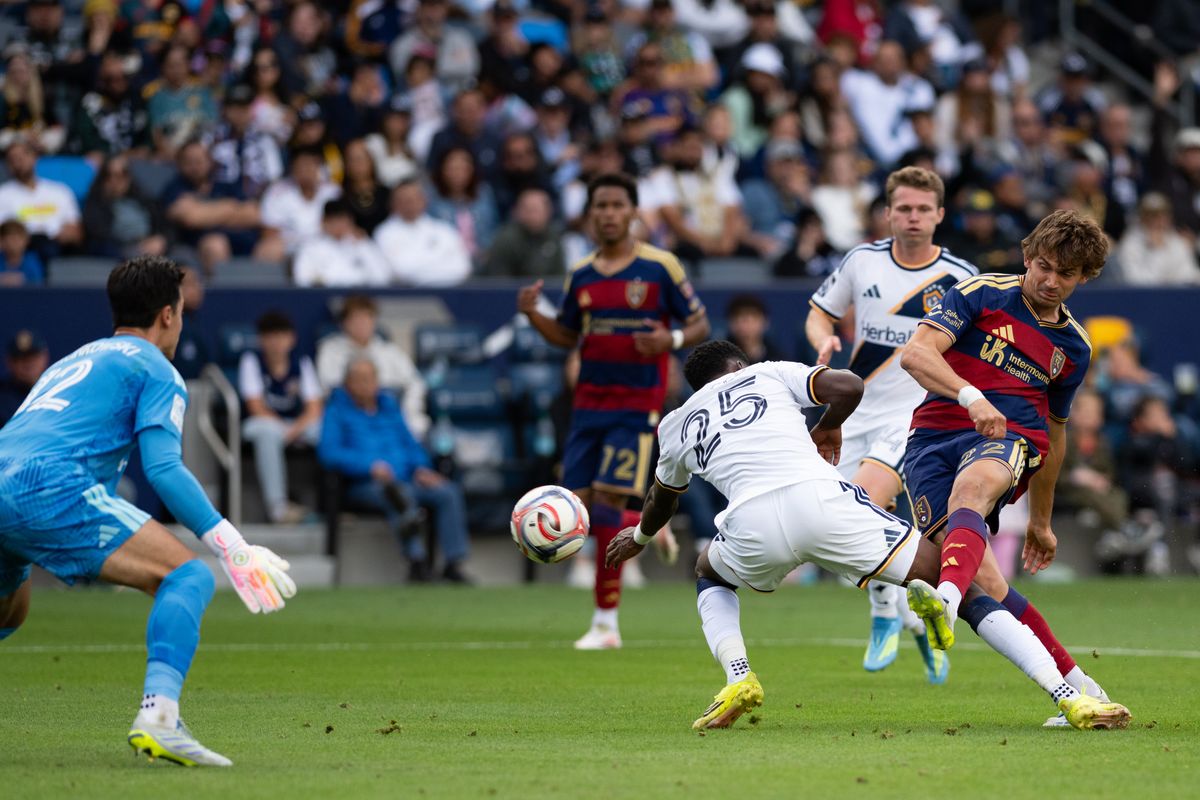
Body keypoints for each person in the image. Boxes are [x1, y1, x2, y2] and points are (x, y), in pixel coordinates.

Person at [604, 340, 1130, 732]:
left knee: (708, 572)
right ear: (738, 367)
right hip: (823, 499)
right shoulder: (766, 373)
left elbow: (662, 498)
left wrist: (642, 539)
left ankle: (738, 674)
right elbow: (849, 385)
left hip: (749, 525)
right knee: (961, 586)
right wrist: (830, 427)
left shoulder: (675, 423)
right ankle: (1070, 698)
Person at [0, 255, 296, 766]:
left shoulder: (70, 360)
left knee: (11, 609)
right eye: (180, 311)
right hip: (47, 485)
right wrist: (232, 545)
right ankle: (159, 717)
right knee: (188, 577)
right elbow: (163, 469)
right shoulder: (156, 366)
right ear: (167, 314)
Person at [899, 209, 1119, 725]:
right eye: (1043, 266)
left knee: (972, 490)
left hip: (1010, 439)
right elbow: (916, 354)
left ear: (1084, 278)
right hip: (930, 441)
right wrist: (971, 395)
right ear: (1027, 257)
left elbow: (1057, 432)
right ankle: (1083, 690)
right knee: (991, 587)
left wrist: (1040, 520)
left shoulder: (1073, 347)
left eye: (1066, 274)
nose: (1051, 281)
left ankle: (944, 601)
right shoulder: (980, 292)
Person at [517, 172, 710, 650]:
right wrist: (533, 315)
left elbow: (699, 321)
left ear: (633, 212)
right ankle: (648, 526)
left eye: (616, 205)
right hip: (588, 405)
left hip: (636, 406)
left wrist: (672, 340)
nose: (607, 213)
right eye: (599, 205)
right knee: (579, 504)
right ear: (589, 215)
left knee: (603, 505)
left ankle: (606, 624)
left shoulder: (660, 266)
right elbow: (567, 335)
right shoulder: (581, 274)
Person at [805, 166, 976, 680]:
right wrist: (824, 339)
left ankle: (883, 616)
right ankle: (912, 619)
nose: (913, 217)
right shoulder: (862, 261)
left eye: (924, 208)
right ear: (888, 213)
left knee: (863, 500)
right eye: (904, 208)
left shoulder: (960, 277)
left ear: (940, 215)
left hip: (914, 417)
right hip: (853, 411)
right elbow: (819, 312)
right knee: (832, 521)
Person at [318, 358, 471, 583]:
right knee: (397, 495)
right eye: (359, 380)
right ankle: (417, 562)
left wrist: (421, 468)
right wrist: (369, 466)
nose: (365, 385)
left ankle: (453, 563)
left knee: (447, 492)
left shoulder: (389, 407)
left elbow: (410, 443)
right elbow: (329, 453)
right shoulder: (336, 411)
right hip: (365, 485)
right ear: (347, 384)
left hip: (408, 478)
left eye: (370, 379)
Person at [239, 311, 324, 525]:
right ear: (261, 339)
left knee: (324, 430)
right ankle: (278, 507)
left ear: (291, 338)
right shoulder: (251, 361)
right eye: (271, 336)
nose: (277, 342)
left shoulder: (301, 362)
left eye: (282, 336)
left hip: (294, 425)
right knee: (267, 431)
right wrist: (286, 430)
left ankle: (330, 505)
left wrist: (295, 429)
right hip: (262, 423)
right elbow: (255, 406)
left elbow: (314, 407)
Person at [315, 294, 429, 438]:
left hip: (391, 414)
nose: (362, 324)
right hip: (349, 415)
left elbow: (415, 383)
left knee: (417, 426)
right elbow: (327, 388)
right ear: (344, 323)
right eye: (356, 319)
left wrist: (408, 411)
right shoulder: (330, 350)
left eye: (367, 318)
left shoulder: (389, 350)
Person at [373, 179, 472, 287]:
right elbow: (401, 270)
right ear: (393, 203)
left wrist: (421, 263)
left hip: (450, 293)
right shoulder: (384, 233)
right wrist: (439, 260)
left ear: (424, 200)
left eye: (414, 198)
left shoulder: (444, 230)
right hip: (406, 298)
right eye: (404, 200)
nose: (410, 204)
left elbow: (463, 267)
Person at [0, 138, 82, 261]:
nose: (19, 162)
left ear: (34, 157)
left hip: (58, 246)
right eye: (13, 159)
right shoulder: (3, 194)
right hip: (23, 251)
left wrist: (65, 235)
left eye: (23, 156)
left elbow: (76, 231)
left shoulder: (59, 191)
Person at [258, 146, 342, 262]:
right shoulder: (277, 191)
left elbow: (342, 225)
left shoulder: (333, 192)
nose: (306, 171)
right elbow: (269, 231)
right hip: (290, 247)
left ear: (319, 166)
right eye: (301, 166)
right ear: (293, 168)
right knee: (268, 249)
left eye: (310, 165)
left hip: (325, 244)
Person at [81, 154, 167, 259]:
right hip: (119, 252)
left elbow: (166, 225)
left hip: (152, 246)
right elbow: (98, 234)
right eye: (109, 175)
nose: (114, 180)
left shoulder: (143, 198)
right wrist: (106, 198)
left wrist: (161, 240)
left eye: (122, 174)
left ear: (129, 177)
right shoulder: (96, 202)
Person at [293, 199, 391, 287]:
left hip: (360, 297)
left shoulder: (362, 244)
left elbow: (382, 277)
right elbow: (302, 279)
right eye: (334, 220)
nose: (339, 225)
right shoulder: (310, 248)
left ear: (351, 221)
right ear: (324, 221)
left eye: (343, 219)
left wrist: (362, 245)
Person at [483, 188, 565, 278]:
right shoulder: (506, 239)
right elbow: (498, 282)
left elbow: (559, 277)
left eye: (536, 210)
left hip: (545, 290)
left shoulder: (554, 236)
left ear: (548, 212)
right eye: (528, 210)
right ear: (518, 211)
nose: (532, 216)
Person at [0, 329, 49, 424]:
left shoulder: (57, 389)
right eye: (20, 358)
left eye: (33, 356)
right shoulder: (2, 398)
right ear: (9, 362)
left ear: (45, 356)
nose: (28, 364)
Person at [0, 219, 45, 286]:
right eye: (8, 240)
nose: (12, 244)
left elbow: (37, 282)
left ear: (26, 240)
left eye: (16, 239)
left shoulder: (33, 259)